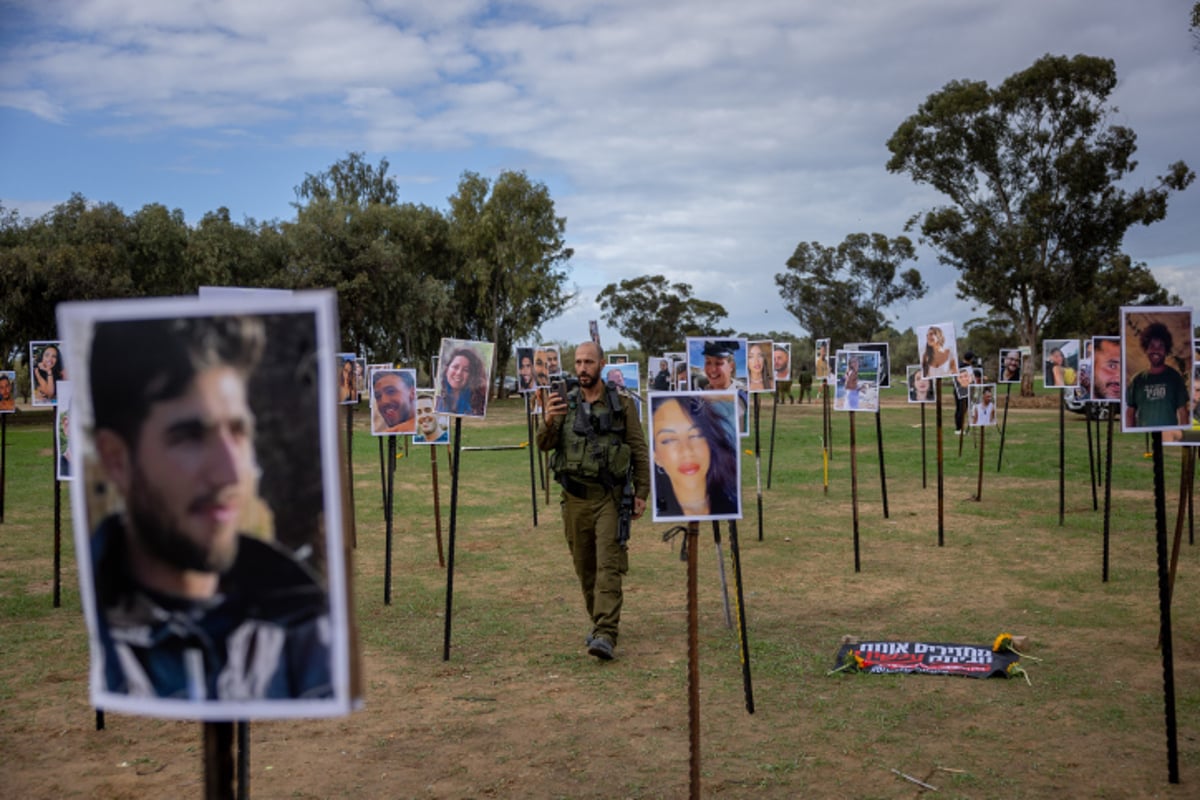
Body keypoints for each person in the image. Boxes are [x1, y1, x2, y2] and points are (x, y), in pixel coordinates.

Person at [86, 315, 332, 701]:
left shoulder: (304, 624)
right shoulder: (111, 643)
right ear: (117, 460)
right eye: (190, 437)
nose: (231, 473)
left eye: (237, 431)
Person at [536, 342, 650, 662]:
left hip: (608, 498)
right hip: (574, 499)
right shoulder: (564, 404)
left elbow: (639, 450)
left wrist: (641, 493)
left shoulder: (621, 405)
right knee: (584, 567)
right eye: (579, 362)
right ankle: (599, 621)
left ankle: (605, 633)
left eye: (589, 362)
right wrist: (548, 419)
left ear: (601, 364)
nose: (583, 368)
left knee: (608, 565)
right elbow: (544, 445)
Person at [651, 395, 739, 518]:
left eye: (696, 435)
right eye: (669, 440)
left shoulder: (731, 504)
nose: (686, 450)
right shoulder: (662, 510)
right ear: (656, 456)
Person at [1125, 322, 1189, 428]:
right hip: (1144, 436)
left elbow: (1183, 412)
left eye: (1160, 346)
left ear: (1166, 350)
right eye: (1152, 346)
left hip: (1169, 437)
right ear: (1146, 349)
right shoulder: (1137, 380)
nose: (1156, 350)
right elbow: (1130, 412)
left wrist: (1183, 437)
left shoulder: (1175, 377)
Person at [436, 346, 489, 416]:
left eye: (466, 370)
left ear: (472, 376)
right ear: (447, 369)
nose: (459, 373)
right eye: (455, 367)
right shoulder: (437, 403)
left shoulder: (478, 406)